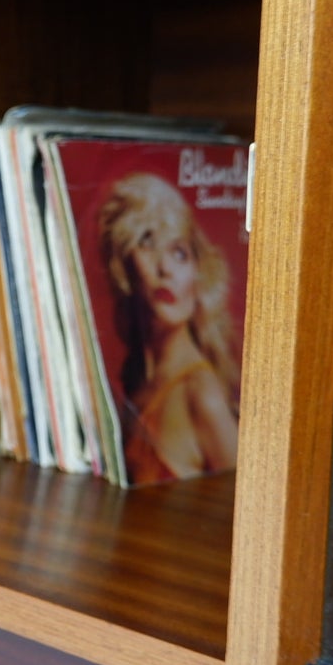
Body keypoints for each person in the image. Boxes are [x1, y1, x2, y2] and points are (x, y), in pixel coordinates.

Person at [96, 172, 240, 482]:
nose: (165, 269)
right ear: (123, 263)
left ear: (198, 272)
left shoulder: (200, 394)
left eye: (179, 253)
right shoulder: (138, 381)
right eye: (147, 243)